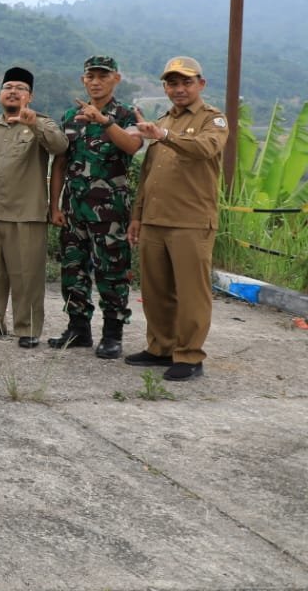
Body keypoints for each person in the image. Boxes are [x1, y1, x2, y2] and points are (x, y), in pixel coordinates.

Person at [127, 56, 227, 382]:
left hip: (191, 222)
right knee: (155, 291)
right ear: (165, 87)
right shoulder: (163, 120)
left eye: (186, 82)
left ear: (201, 84)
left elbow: (204, 149)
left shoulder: (213, 120)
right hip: (155, 220)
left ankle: (190, 356)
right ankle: (161, 348)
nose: (179, 88)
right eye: (172, 83)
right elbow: (149, 175)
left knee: (191, 294)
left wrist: (164, 136)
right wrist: (137, 216)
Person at [0, 67, 67, 347]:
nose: (13, 91)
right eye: (8, 87)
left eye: (20, 88)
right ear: (0, 94)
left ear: (29, 96)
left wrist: (35, 125)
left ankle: (28, 329)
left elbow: (60, 147)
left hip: (27, 214)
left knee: (27, 276)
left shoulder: (41, 125)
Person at [48, 55, 142, 358]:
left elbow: (131, 146)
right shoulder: (70, 117)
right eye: (91, 76)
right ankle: (78, 329)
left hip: (111, 212)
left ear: (116, 79)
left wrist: (105, 122)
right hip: (74, 210)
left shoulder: (126, 115)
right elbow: (60, 163)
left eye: (103, 76)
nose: (96, 82)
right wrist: (54, 205)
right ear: (83, 80)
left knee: (112, 272)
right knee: (73, 269)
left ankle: (112, 334)